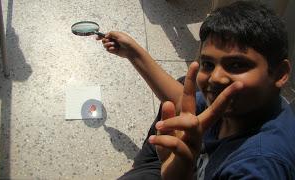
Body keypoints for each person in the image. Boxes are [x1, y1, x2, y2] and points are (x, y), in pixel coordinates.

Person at [97, 1, 295, 179]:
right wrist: (133, 52)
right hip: (183, 162)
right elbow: (182, 102)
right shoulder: (246, 104)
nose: (216, 77)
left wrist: (178, 175)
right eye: (208, 64)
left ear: (279, 74)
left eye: (236, 65)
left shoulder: (257, 166)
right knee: (186, 86)